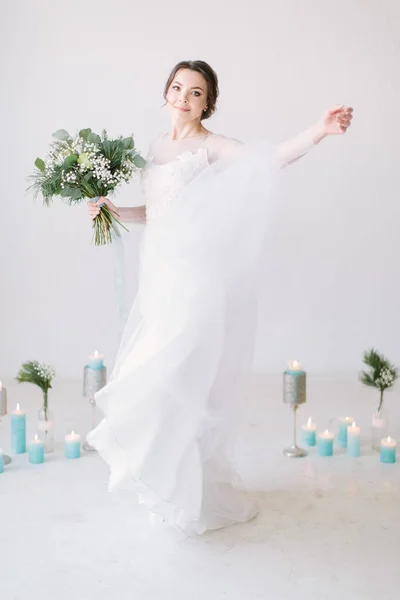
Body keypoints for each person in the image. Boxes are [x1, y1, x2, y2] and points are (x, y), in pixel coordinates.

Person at [86, 60, 353, 536]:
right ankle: (171, 487)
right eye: (177, 87)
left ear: (208, 101)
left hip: (195, 278)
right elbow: (156, 211)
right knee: (160, 377)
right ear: (165, 92)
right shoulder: (155, 147)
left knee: (180, 378)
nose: (183, 98)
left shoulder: (213, 146)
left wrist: (318, 130)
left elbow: (268, 159)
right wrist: (113, 209)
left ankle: (192, 493)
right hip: (159, 276)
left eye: (195, 92)